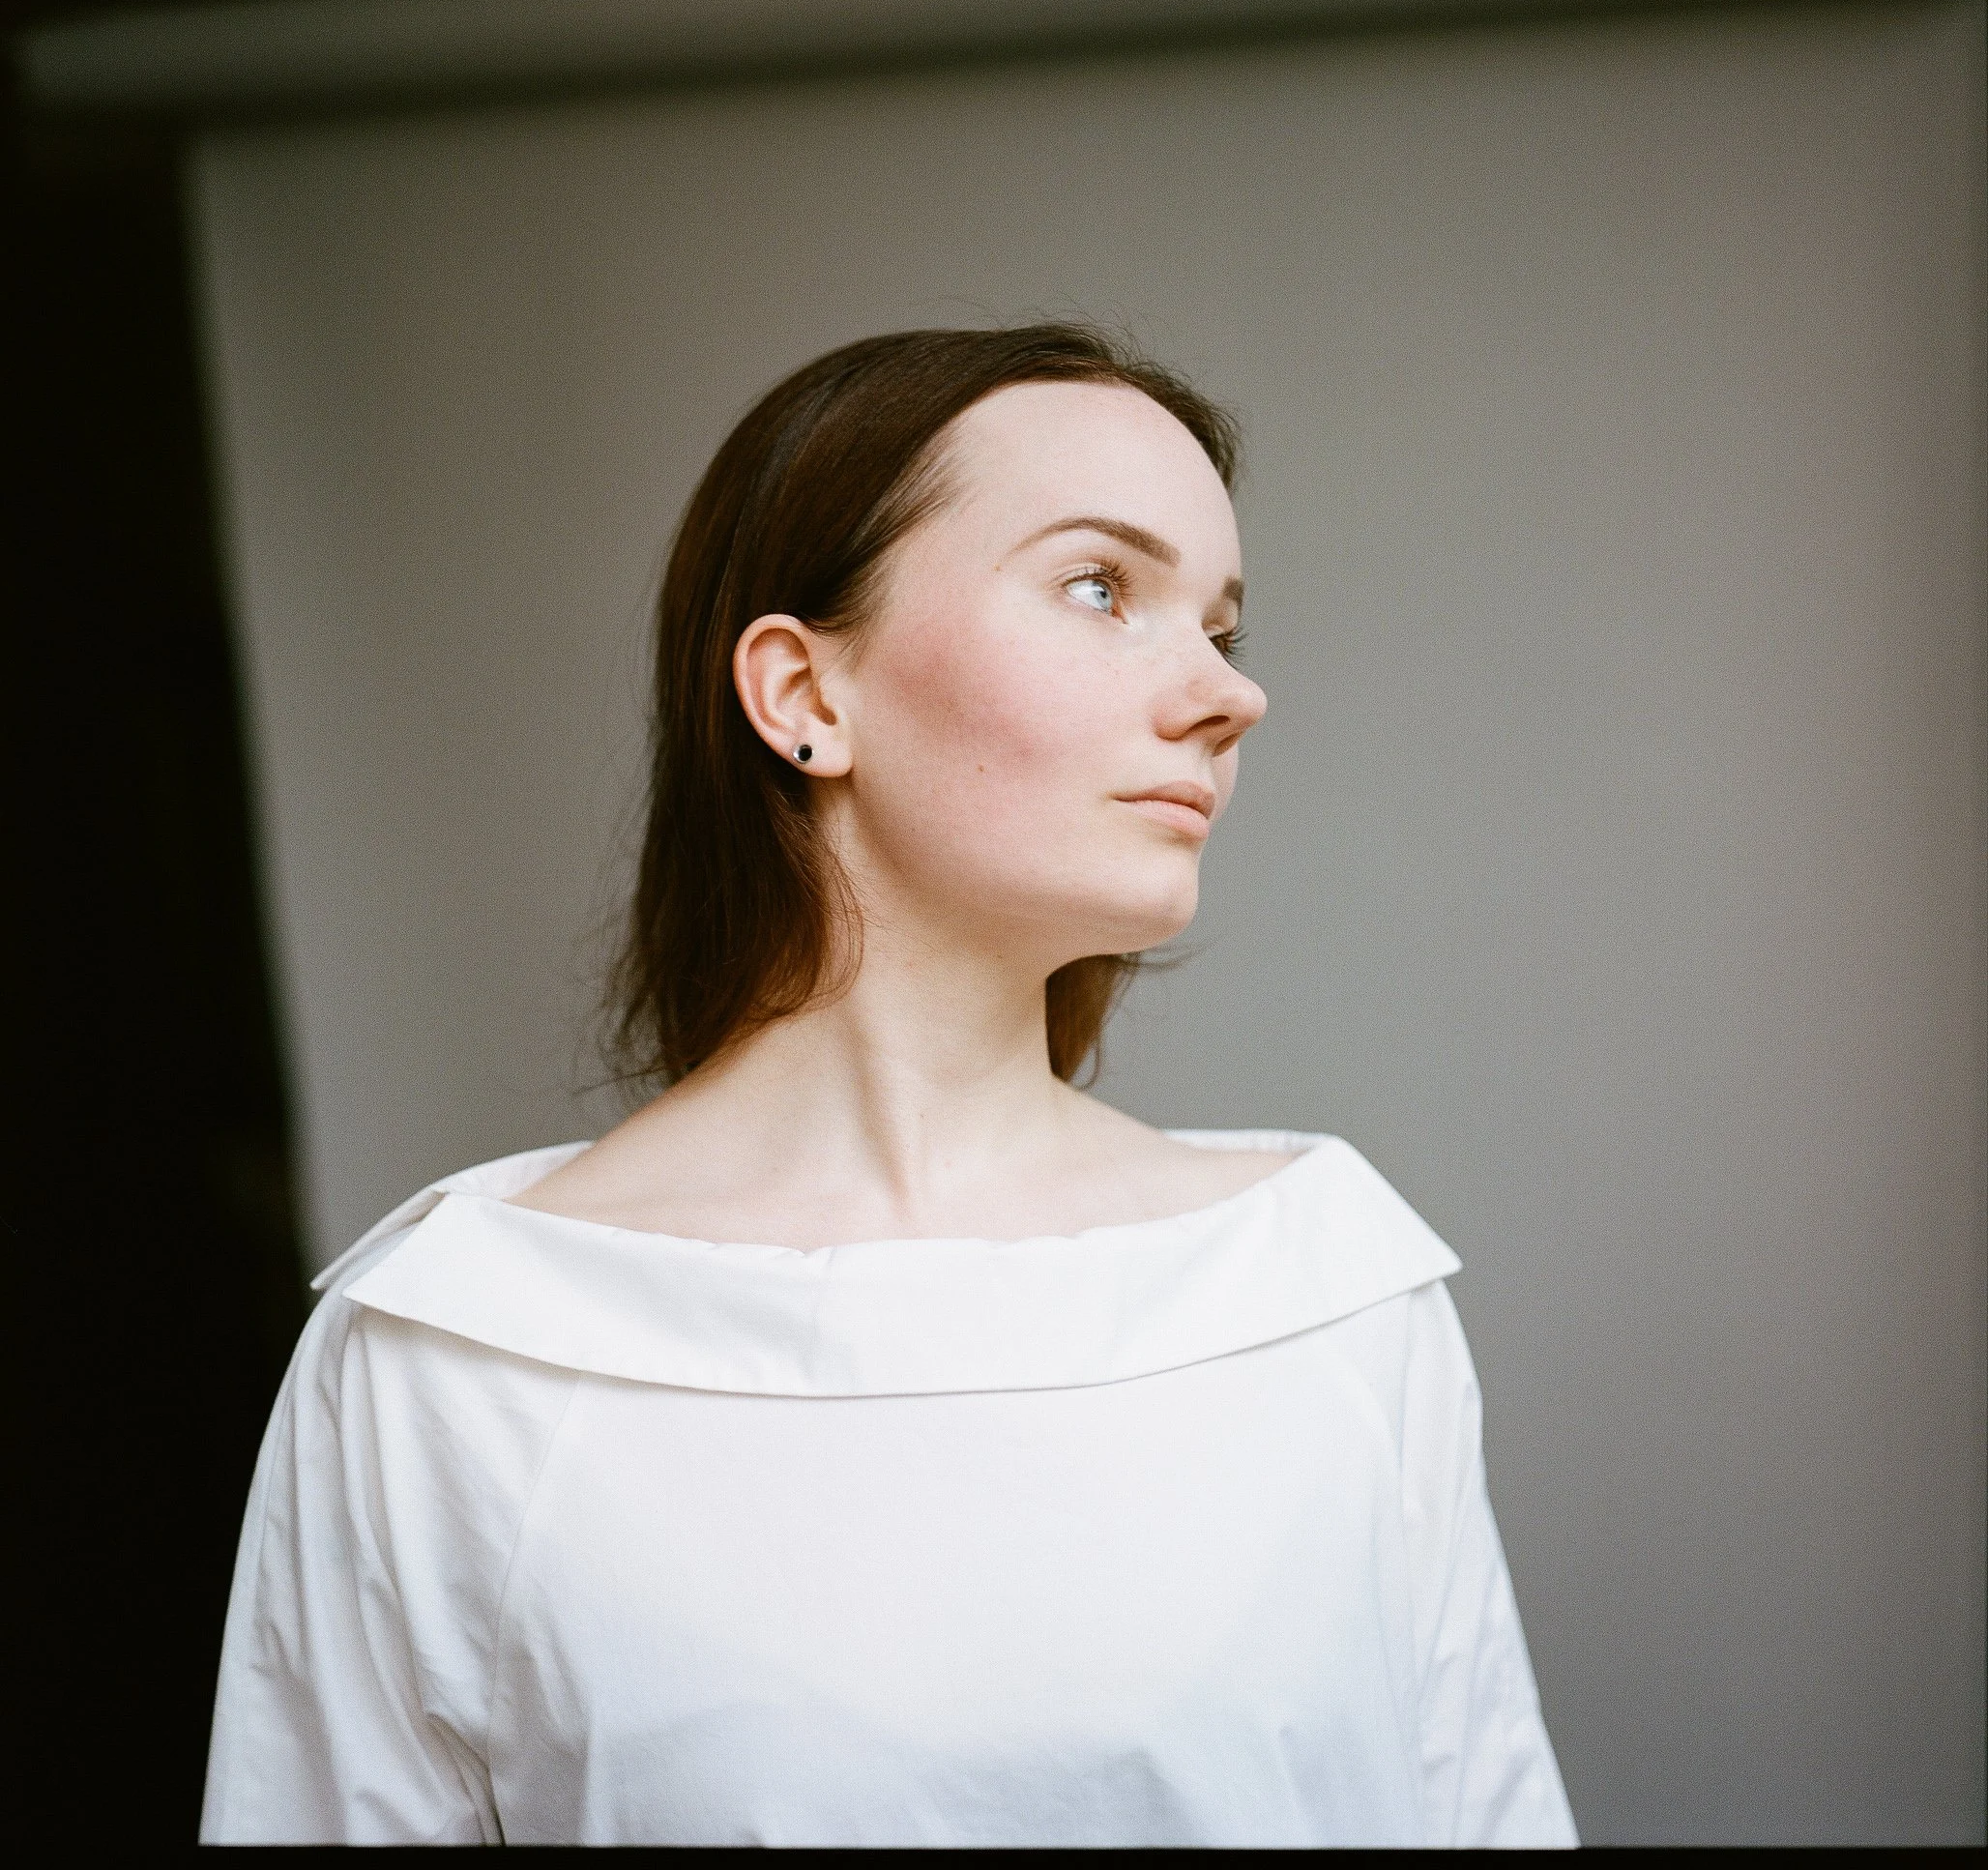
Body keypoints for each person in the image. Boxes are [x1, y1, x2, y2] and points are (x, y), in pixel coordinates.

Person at [201, 325, 1578, 1847]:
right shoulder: (451, 1358)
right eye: (1102, 588)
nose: (1226, 697)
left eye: (1223, 628)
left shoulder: (1332, 1293)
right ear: (804, 694)